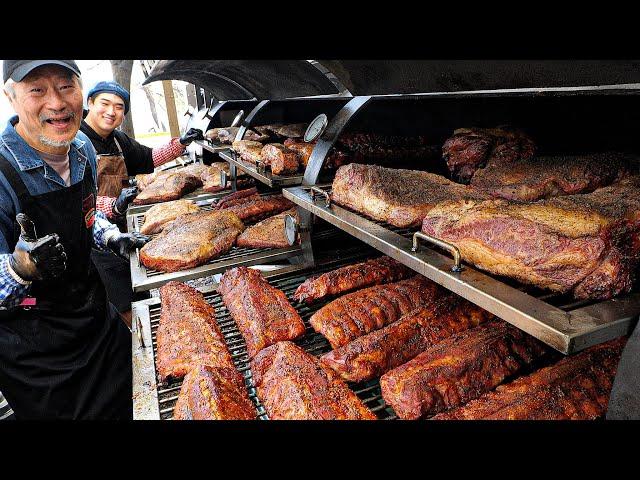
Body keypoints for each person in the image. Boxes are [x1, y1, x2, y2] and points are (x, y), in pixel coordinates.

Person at [0, 60, 150, 419]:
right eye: (37, 89)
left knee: (136, 400)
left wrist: (110, 235)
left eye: (66, 86)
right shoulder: (3, 173)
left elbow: (84, 215)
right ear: (11, 96)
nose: (56, 102)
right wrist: (18, 269)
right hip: (38, 352)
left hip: (94, 317)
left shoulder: (81, 147)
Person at [81, 80, 203, 319]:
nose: (111, 111)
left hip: (123, 228)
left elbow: (148, 158)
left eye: (118, 107)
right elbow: (77, 203)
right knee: (120, 297)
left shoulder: (117, 140)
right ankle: (132, 342)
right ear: (90, 103)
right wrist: (112, 205)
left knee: (136, 288)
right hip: (94, 239)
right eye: (105, 103)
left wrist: (181, 143)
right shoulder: (76, 143)